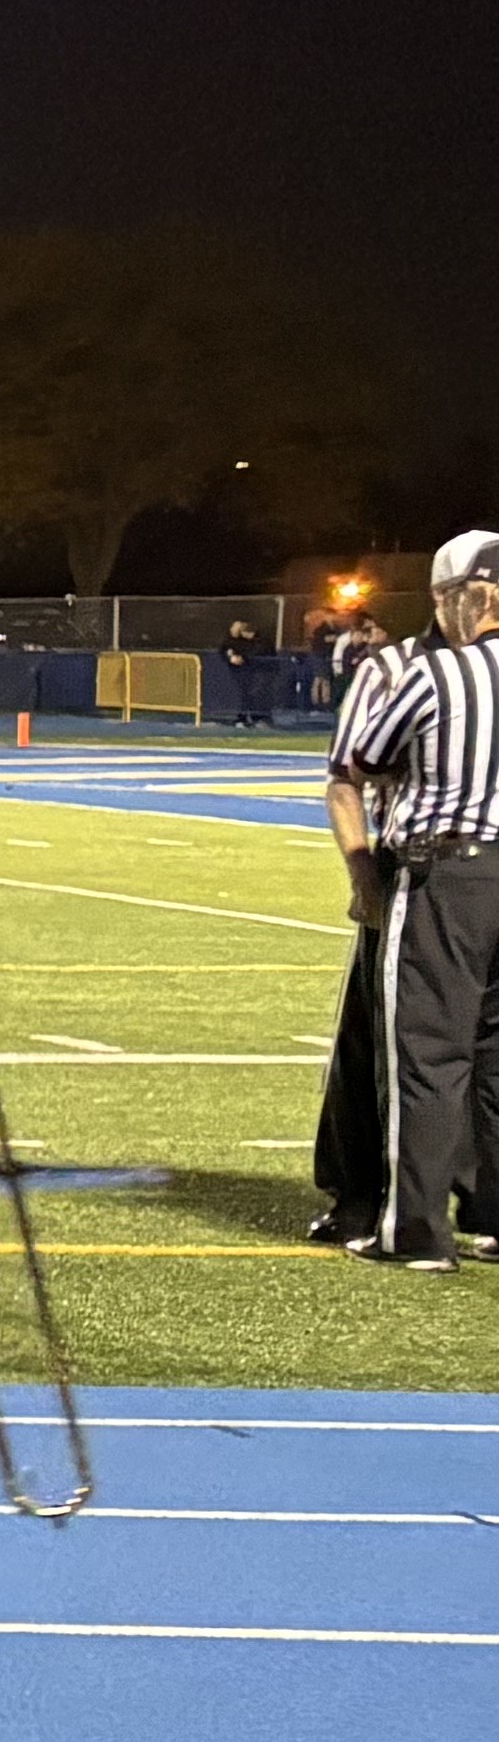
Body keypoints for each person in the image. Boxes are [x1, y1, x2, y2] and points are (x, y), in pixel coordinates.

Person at [327, 529, 499, 1270]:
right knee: (495, 1057)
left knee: (425, 1055)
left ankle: (417, 1231)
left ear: (461, 597)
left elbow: (363, 761)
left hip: (445, 873)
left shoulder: (437, 675)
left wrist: (366, 870)